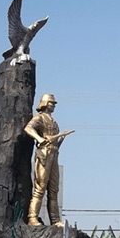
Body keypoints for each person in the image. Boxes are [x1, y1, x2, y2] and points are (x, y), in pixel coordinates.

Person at [24, 94, 73, 227]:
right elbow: (28, 128)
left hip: (54, 154)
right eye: (52, 103)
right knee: (40, 187)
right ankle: (32, 217)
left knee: (54, 189)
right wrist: (39, 139)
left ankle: (55, 220)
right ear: (45, 103)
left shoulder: (54, 122)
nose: (53, 105)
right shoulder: (39, 118)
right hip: (44, 154)